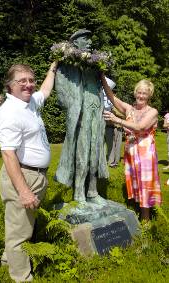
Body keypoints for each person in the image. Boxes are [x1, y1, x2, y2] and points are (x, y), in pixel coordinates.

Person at [0, 61, 57, 282]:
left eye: (31, 80)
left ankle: (6, 262)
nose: (29, 85)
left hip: (35, 174)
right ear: (10, 85)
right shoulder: (10, 112)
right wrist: (23, 191)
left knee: (20, 225)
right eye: (22, 81)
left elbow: (45, 91)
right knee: (20, 234)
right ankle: (22, 277)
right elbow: (8, 154)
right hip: (22, 176)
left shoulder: (28, 103)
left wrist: (53, 66)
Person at [55, 29, 108, 205]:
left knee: (96, 153)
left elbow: (103, 90)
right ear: (75, 42)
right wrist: (74, 107)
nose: (90, 42)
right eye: (86, 39)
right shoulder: (68, 65)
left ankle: (92, 190)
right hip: (82, 113)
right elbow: (62, 91)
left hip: (96, 112)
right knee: (82, 152)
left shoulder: (96, 66)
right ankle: (78, 192)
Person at [101, 76, 162, 221]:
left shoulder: (152, 112)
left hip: (145, 154)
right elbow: (111, 97)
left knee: (145, 184)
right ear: (135, 93)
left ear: (149, 95)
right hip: (131, 153)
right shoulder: (129, 109)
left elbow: (141, 127)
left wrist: (118, 120)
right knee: (136, 182)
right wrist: (102, 77)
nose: (141, 96)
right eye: (139, 92)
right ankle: (137, 211)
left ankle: (146, 219)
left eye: (144, 93)